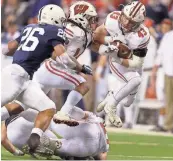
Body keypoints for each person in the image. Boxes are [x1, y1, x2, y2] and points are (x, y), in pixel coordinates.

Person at [1, 4, 79, 152]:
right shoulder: (55, 31)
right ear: (55, 19)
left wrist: (25, 52)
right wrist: (81, 68)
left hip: (24, 79)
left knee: (48, 107)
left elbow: (7, 49)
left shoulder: (29, 28)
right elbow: (65, 60)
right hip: (15, 76)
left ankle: (35, 138)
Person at [93, 1, 150, 127]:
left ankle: (110, 97)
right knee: (135, 80)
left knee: (129, 101)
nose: (126, 23)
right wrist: (110, 45)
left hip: (131, 60)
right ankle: (111, 106)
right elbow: (96, 37)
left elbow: (136, 63)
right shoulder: (113, 18)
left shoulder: (142, 35)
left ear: (139, 23)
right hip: (115, 57)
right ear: (122, 12)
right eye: (125, 18)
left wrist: (120, 55)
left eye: (132, 22)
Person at [1, 108, 108, 160]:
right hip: (25, 119)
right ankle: (77, 156)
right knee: (50, 128)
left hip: (16, 134)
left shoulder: (7, 120)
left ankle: (69, 155)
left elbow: (2, 139)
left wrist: (16, 152)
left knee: (51, 146)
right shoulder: (18, 105)